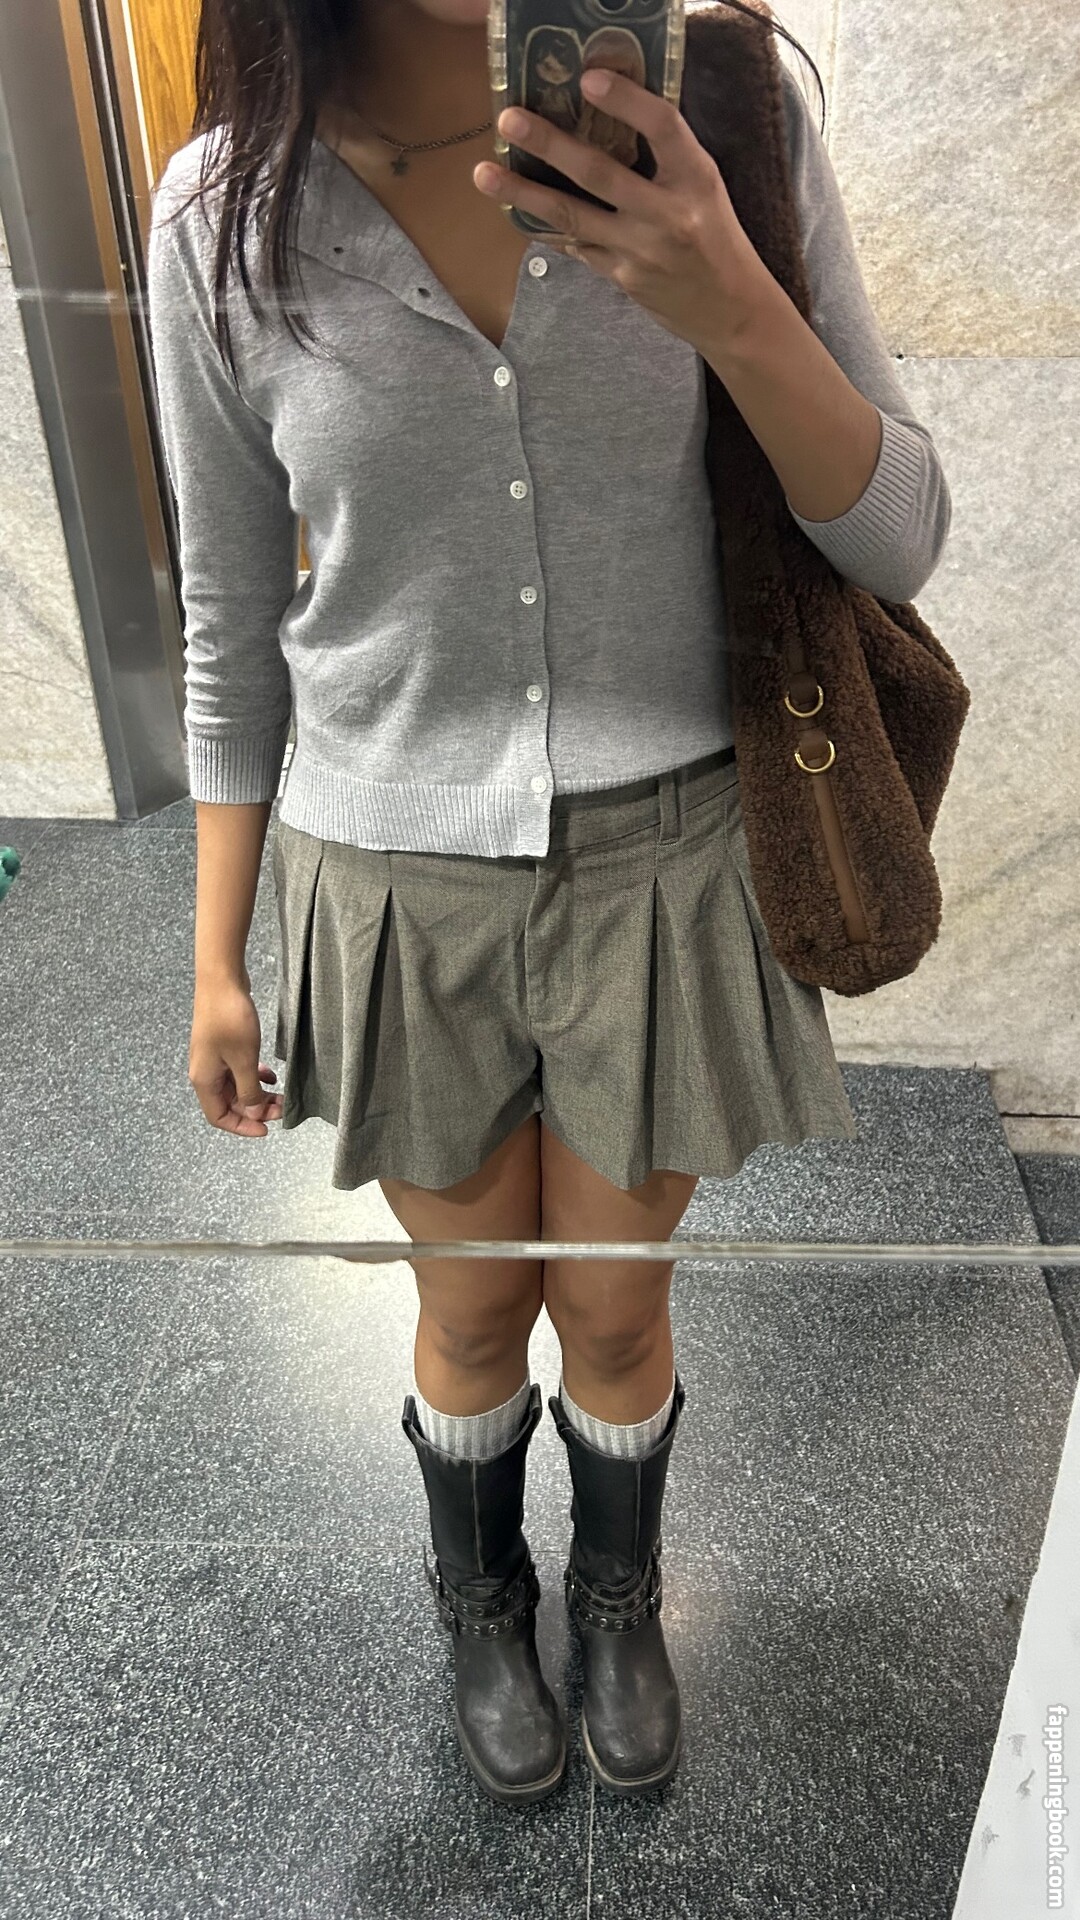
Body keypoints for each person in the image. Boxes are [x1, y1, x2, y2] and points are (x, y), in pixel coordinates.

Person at [146, 0, 952, 1807]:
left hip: (670, 860)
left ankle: (619, 1593)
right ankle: (481, 1602)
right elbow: (226, 625)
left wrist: (725, 291)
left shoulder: (727, 116)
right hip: (391, 875)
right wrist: (215, 958)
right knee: (469, 1314)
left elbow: (899, 536)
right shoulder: (223, 210)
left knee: (615, 1310)